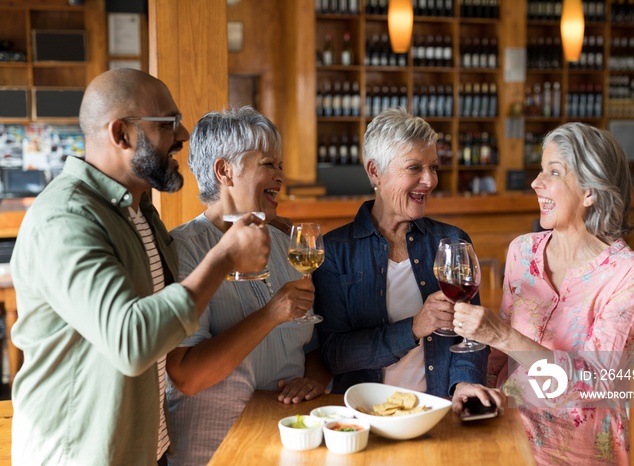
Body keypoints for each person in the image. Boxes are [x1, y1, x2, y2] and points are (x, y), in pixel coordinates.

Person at [9, 69, 270, 466]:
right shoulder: (64, 219)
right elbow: (132, 341)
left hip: (147, 446)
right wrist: (223, 258)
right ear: (121, 134)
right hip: (81, 454)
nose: (183, 136)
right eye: (168, 124)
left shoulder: (139, 210)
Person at [452, 122, 634, 465]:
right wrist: (474, 388)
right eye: (540, 168)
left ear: (589, 191)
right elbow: (498, 359)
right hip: (507, 434)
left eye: (554, 171)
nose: (536, 182)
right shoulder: (522, 251)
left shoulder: (630, 274)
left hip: (580, 450)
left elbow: (593, 385)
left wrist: (502, 335)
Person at [165, 106, 331, 466]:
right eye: (269, 164)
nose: (280, 176)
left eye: (280, 167)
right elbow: (187, 376)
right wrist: (272, 313)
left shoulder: (287, 242)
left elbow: (314, 345)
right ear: (225, 171)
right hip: (214, 449)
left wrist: (314, 382)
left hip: (288, 443)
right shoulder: (182, 251)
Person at [313, 107, 490, 397]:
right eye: (414, 168)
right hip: (366, 415)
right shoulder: (334, 251)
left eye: (433, 167)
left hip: (439, 411)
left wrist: (465, 384)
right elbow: (335, 354)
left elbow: (471, 335)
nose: (430, 181)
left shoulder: (452, 241)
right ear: (375, 172)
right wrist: (414, 327)